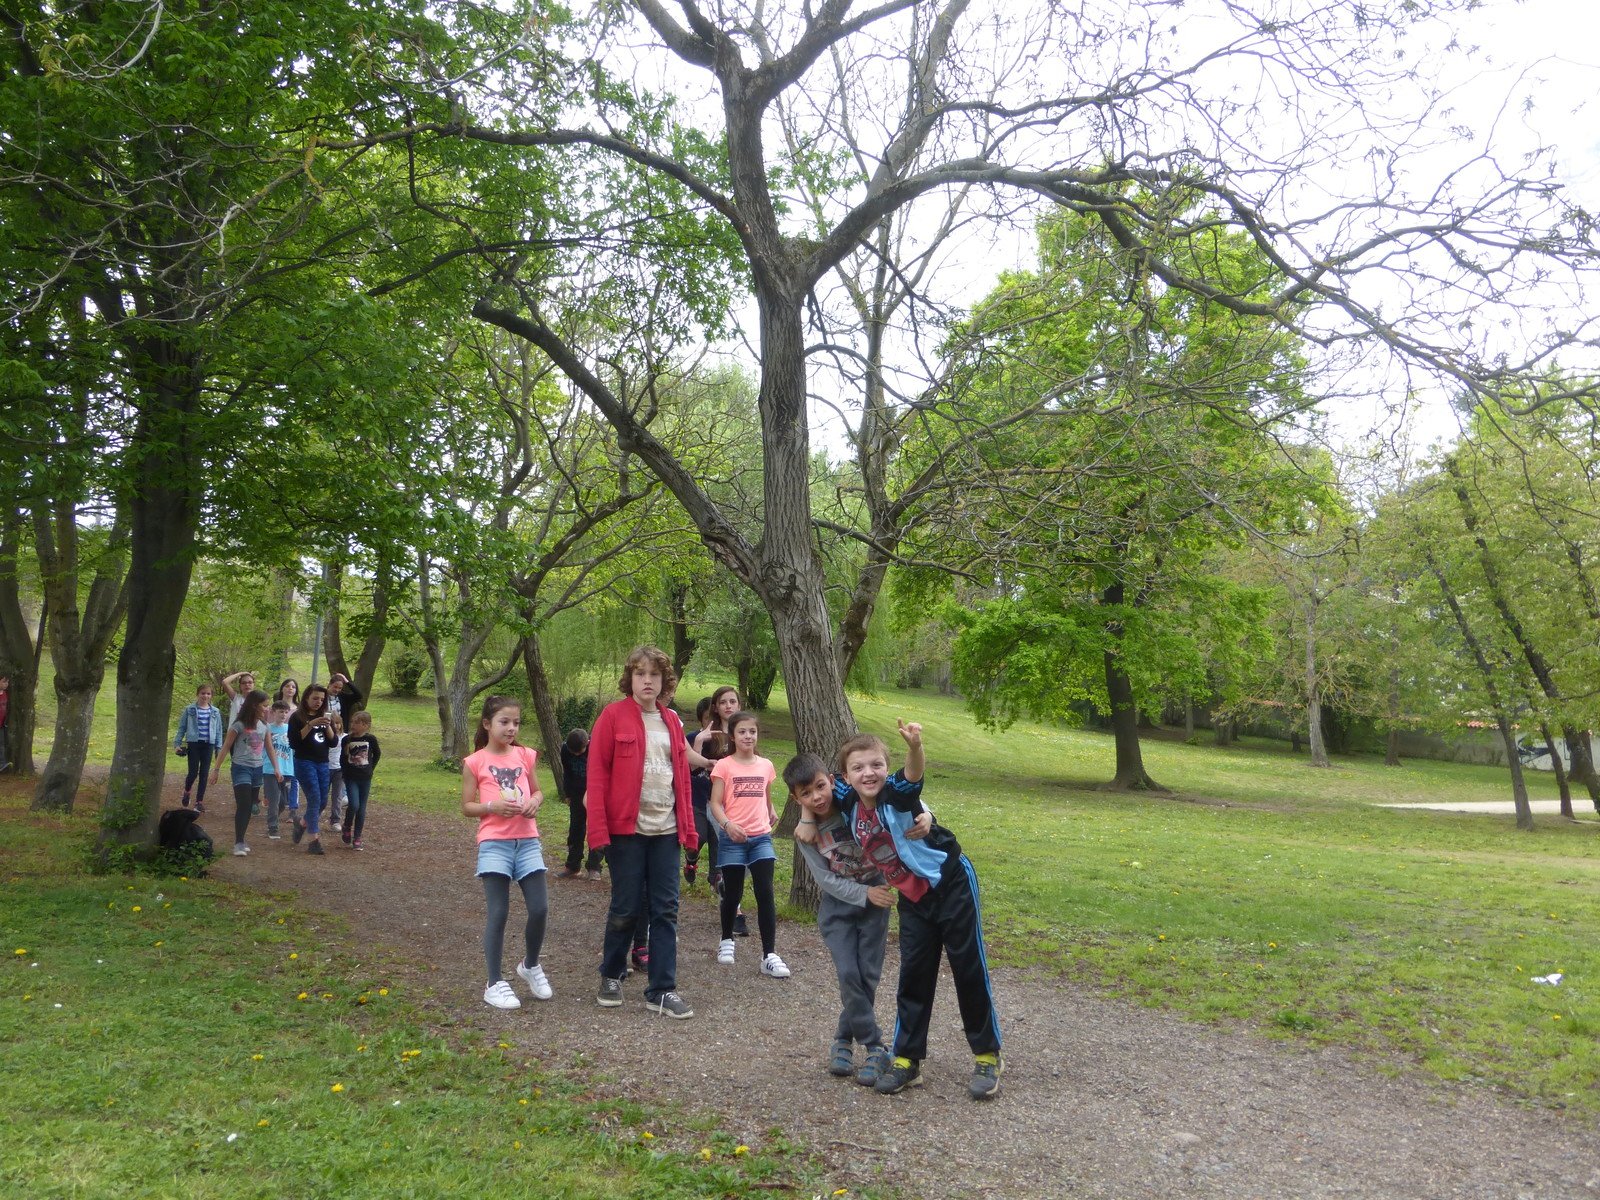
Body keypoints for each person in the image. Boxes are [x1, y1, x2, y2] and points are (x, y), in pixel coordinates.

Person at [825, 720, 1003, 1100]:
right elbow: (814, 785)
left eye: (876, 765)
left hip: (950, 883)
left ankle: (987, 1055)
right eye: (858, 768)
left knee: (967, 967)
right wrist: (807, 821)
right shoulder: (846, 798)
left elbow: (912, 775)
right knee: (914, 974)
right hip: (913, 897)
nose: (868, 773)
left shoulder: (896, 794)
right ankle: (907, 1059)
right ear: (846, 776)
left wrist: (915, 748)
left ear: (886, 768)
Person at [586, 644, 698, 1019]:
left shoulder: (672, 722)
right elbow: (597, 777)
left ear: (665, 681)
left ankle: (662, 989)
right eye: (640, 674)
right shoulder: (612, 716)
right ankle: (611, 974)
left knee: (666, 911)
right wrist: (598, 833)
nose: (647, 680)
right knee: (626, 907)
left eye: (654, 674)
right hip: (627, 832)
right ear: (630, 678)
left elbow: (682, 780)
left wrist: (689, 829)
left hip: (666, 831)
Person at [787, 751, 899, 1086]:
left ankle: (842, 1039)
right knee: (849, 972)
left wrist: (925, 817)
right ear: (796, 798)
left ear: (832, 782)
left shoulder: (856, 806)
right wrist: (865, 894)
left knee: (866, 978)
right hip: (839, 909)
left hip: (875, 903)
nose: (816, 797)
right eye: (806, 794)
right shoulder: (806, 835)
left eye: (820, 787)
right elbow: (825, 880)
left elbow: (897, 801)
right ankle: (875, 1045)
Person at [461, 695, 551, 1010]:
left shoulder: (525, 755)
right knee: (498, 913)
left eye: (516, 722)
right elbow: (467, 806)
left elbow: (537, 791)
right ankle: (494, 982)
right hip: (494, 844)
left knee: (539, 908)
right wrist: (492, 806)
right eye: (504, 722)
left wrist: (534, 802)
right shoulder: (474, 762)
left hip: (527, 842)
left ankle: (530, 965)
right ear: (487, 724)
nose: (511, 728)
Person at [709, 710, 789, 978]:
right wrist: (728, 825)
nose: (748, 736)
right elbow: (715, 803)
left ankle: (769, 955)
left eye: (752, 731)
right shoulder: (724, 766)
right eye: (742, 732)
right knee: (733, 894)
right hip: (733, 838)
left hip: (761, 838)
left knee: (765, 892)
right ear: (732, 736)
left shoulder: (766, 765)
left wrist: (771, 809)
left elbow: (765, 795)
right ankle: (726, 939)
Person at [209, 689, 284, 857]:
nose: (267, 708)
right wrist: (216, 770)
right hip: (240, 767)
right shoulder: (239, 725)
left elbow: (269, 748)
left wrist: (276, 768)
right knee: (243, 804)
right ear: (254, 705)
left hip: (258, 769)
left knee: (250, 805)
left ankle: (242, 837)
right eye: (264, 705)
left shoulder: (264, 726)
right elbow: (226, 747)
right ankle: (239, 842)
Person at [288, 684, 337, 855]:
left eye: (322, 699)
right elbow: (294, 742)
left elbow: (334, 742)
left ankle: (301, 823)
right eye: (315, 698)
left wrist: (327, 725)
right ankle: (313, 840)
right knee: (314, 798)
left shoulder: (324, 716)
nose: (318, 702)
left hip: (322, 763)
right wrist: (310, 724)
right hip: (304, 762)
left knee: (323, 801)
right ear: (306, 697)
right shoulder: (297, 717)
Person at [557, 728, 603, 879]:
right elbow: (567, 772)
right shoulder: (565, 750)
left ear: (587, 743)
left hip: (595, 792)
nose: (576, 754)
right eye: (573, 752)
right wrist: (568, 794)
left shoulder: (596, 747)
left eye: (580, 751)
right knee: (575, 829)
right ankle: (573, 866)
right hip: (576, 793)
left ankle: (594, 867)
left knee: (595, 829)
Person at [173, 683, 224, 813]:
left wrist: (218, 748)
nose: (205, 696)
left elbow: (218, 731)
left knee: (204, 774)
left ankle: (199, 802)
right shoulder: (189, 709)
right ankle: (187, 791)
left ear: (211, 696)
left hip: (209, 744)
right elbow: (182, 728)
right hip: (194, 744)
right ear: (197, 694)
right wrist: (177, 744)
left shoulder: (215, 711)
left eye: (208, 693)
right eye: (203, 693)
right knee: (193, 773)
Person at [339, 711, 381, 849]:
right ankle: (347, 826)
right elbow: (343, 758)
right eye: (352, 722)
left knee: (362, 808)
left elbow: (377, 754)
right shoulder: (347, 739)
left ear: (366, 725)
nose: (353, 725)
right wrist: (345, 773)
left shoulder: (370, 739)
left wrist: (370, 769)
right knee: (354, 804)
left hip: (365, 778)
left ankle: (357, 836)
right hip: (351, 777)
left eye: (357, 723)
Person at [262, 700, 300, 839]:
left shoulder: (290, 729)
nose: (283, 714)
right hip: (269, 769)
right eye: (280, 712)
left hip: (287, 769)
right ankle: (273, 827)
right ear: (273, 712)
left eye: (285, 712)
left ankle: (272, 818)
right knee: (274, 799)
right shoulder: (267, 728)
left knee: (283, 802)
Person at [325, 711, 347, 832]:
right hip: (325, 768)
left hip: (339, 770)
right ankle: (313, 816)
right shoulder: (325, 737)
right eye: (333, 724)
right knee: (322, 794)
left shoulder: (345, 737)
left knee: (337, 796)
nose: (336, 726)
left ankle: (335, 820)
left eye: (338, 723)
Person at [0, 673, 10, 774]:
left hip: (1, 725)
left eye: (7, 682)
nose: (6, 684)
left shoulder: (4, 694)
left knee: (1, 744)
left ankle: (2, 763)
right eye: (4, 681)